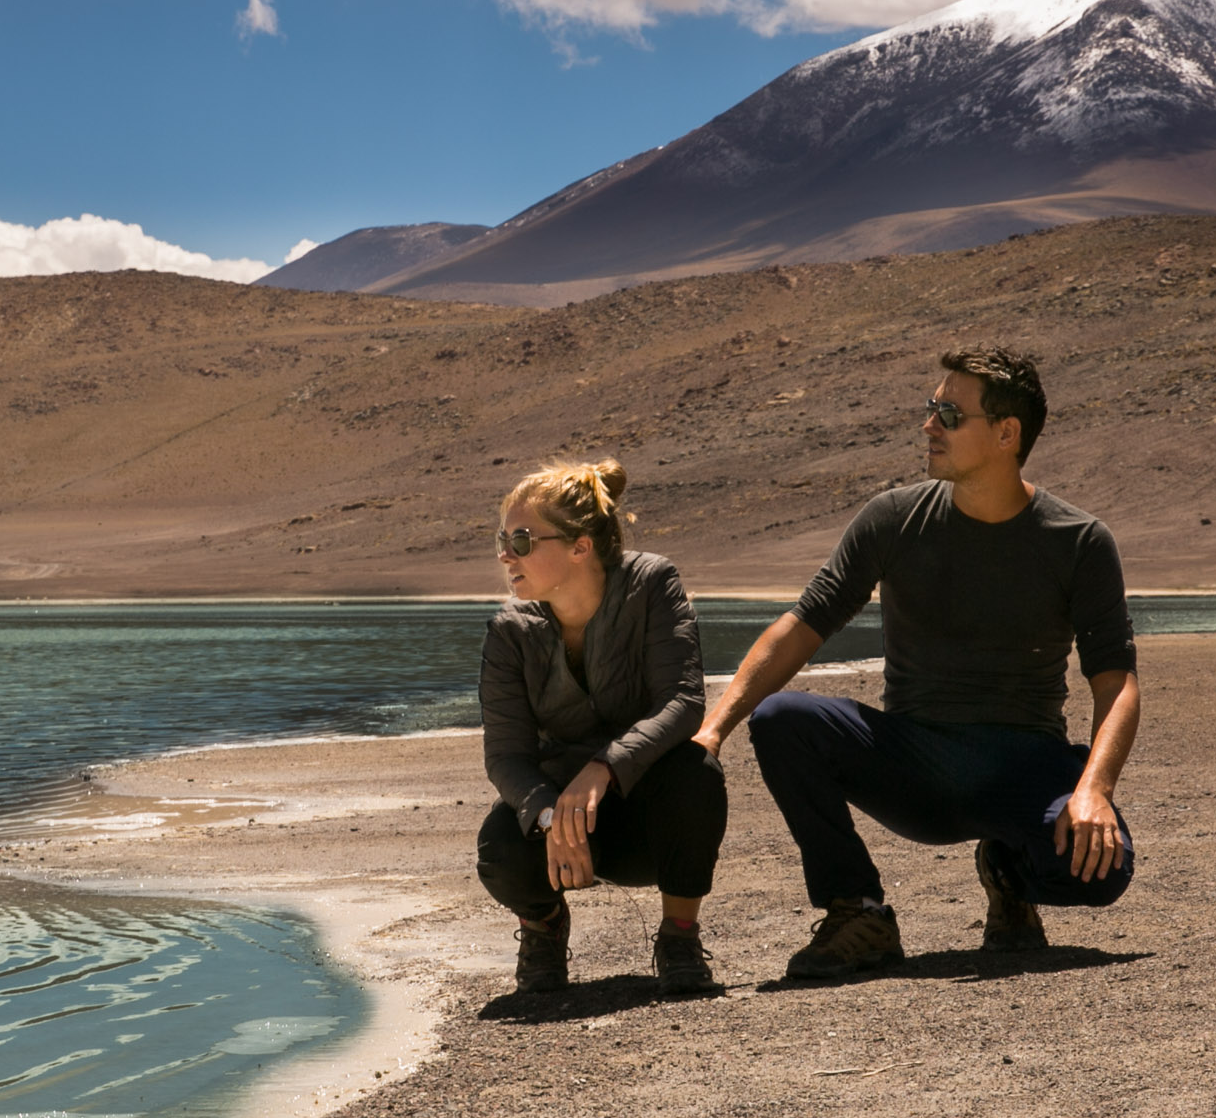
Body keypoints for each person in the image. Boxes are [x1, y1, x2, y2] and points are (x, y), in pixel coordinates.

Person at [692, 348, 1139, 979]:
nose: (929, 425)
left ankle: (1010, 871)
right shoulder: (893, 520)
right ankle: (859, 911)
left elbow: (1116, 682)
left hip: (1023, 763)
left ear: (1007, 434)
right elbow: (804, 623)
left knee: (1102, 870)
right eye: (931, 408)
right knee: (782, 719)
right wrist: (714, 729)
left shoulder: (1080, 542)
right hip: (915, 764)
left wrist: (1093, 790)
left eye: (950, 414)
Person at [477, 460, 729, 996]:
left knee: (697, 773)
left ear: (580, 546)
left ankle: (679, 936)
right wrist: (549, 817)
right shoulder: (510, 630)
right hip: (566, 826)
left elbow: (682, 703)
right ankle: (543, 929)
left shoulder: (652, 583)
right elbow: (506, 757)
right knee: (500, 844)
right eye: (503, 539)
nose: (505, 554)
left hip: (649, 813)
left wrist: (605, 768)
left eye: (521, 540)